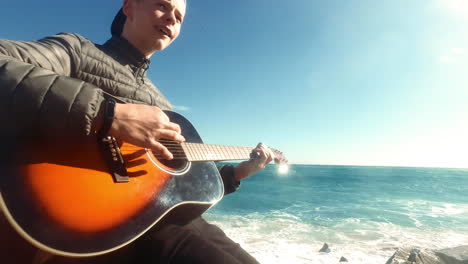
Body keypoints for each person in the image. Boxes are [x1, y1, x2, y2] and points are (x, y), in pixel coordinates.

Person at [0, 0, 275, 263]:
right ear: (128, 6)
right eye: (162, 5)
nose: (172, 19)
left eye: (179, 17)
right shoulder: (78, 51)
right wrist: (108, 114)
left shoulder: (163, 104)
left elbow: (179, 192)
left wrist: (237, 173)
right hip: (102, 227)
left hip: (165, 223)